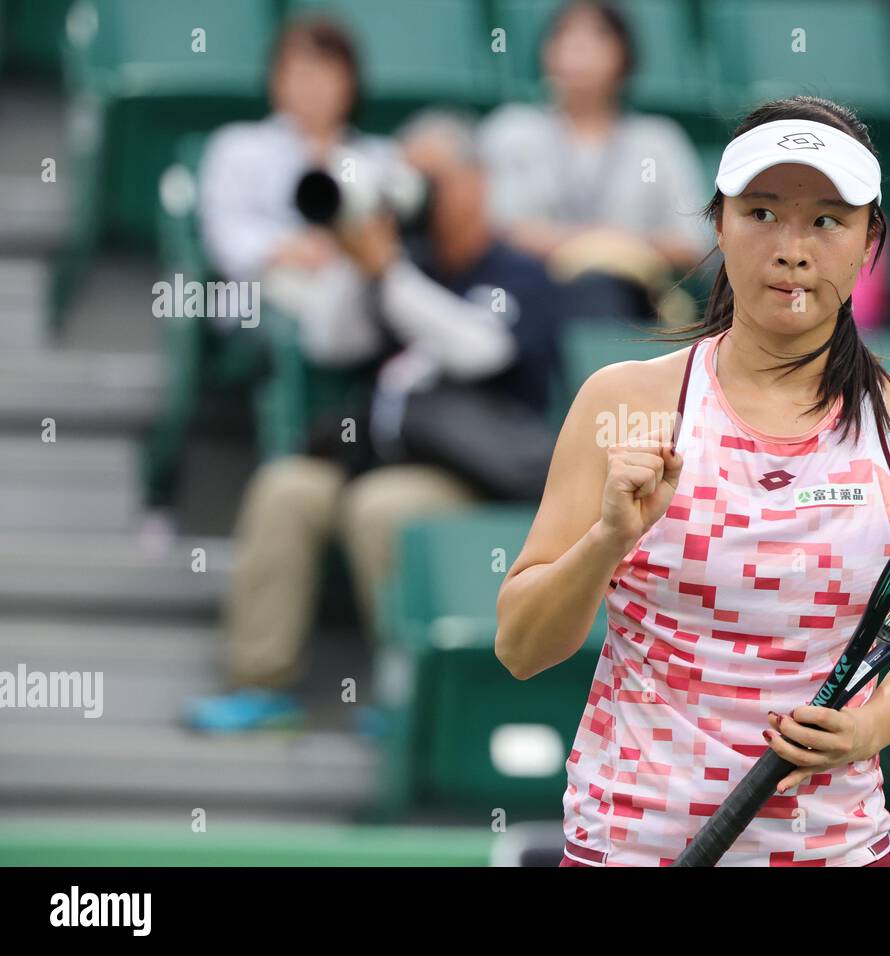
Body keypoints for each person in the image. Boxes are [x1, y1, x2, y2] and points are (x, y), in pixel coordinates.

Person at [495, 96, 890, 867]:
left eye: (826, 220)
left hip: (835, 850)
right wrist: (608, 538)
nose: (792, 248)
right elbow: (521, 647)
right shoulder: (623, 403)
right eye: (761, 214)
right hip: (630, 848)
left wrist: (867, 729)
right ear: (718, 225)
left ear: (868, 243)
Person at [186, 114, 564, 734]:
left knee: (380, 508)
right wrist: (350, 253)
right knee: (287, 489)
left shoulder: (515, 270)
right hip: (378, 453)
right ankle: (261, 683)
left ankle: (407, 694)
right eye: (404, 175)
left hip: (471, 471)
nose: (414, 190)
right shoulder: (403, 259)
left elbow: (482, 350)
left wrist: (389, 274)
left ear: (474, 184)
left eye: (430, 178)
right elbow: (329, 342)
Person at [478, 1, 712, 326]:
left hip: (629, 299)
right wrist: (595, 245)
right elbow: (494, 229)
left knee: (600, 291)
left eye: (598, 35)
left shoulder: (657, 140)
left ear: (624, 55)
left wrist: (613, 254)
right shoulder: (512, 129)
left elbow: (692, 244)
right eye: (564, 35)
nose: (579, 48)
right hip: (527, 295)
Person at [197, 16, 399, 333]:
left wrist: (343, 252)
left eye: (326, 74)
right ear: (277, 81)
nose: (313, 88)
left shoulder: (380, 158)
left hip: (353, 291)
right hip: (261, 298)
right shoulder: (238, 148)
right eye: (302, 74)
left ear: (350, 84)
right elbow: (225, 235)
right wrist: (287, 249)